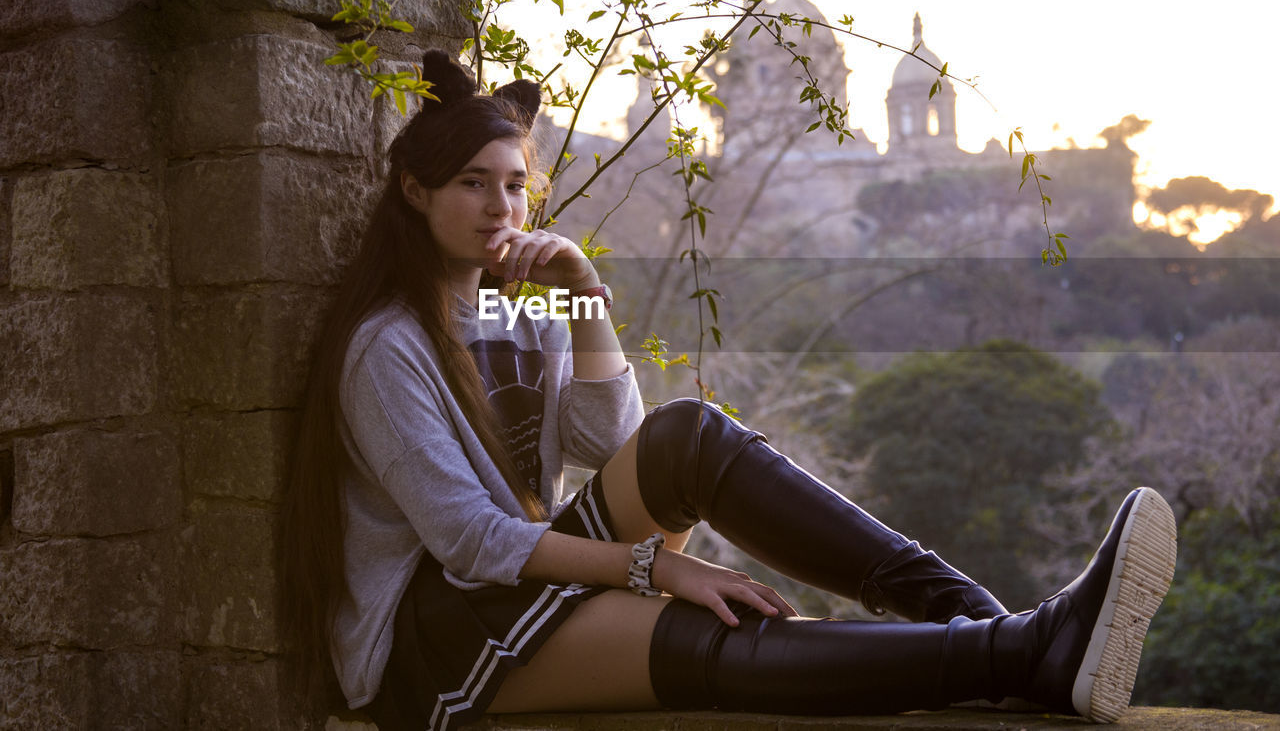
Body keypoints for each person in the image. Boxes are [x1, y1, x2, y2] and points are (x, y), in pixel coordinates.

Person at [281, 50, 1177, 731]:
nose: (500, 210)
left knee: (688, 432)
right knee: (710, 629)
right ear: (413, 189)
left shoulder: (528, 304)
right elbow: (469, 540)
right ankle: (1018, 649)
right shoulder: (385, 346)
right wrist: (659, 567)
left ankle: (981, 621)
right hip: (434, 640)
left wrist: (585, 293)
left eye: (515, 185)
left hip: (523, 581)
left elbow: (621, 445)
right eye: (472, 185)